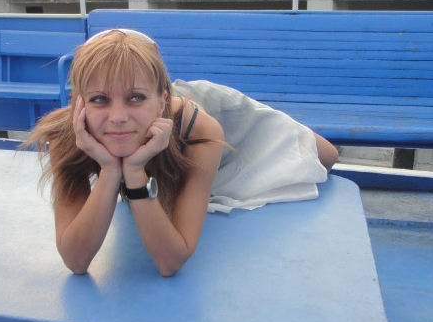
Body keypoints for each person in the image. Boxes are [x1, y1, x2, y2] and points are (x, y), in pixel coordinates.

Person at [24, 29, 338, 276]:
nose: (118, 116)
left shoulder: (200, 130)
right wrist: (112, 172)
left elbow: (171, 262)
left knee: (325, 156)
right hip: (165, 125)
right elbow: (76, 261)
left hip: (222, 120)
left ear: (161, 101)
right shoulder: (66, 136)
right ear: (79, 103)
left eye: (135, 98)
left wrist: (134, 176)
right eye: (99, 99)